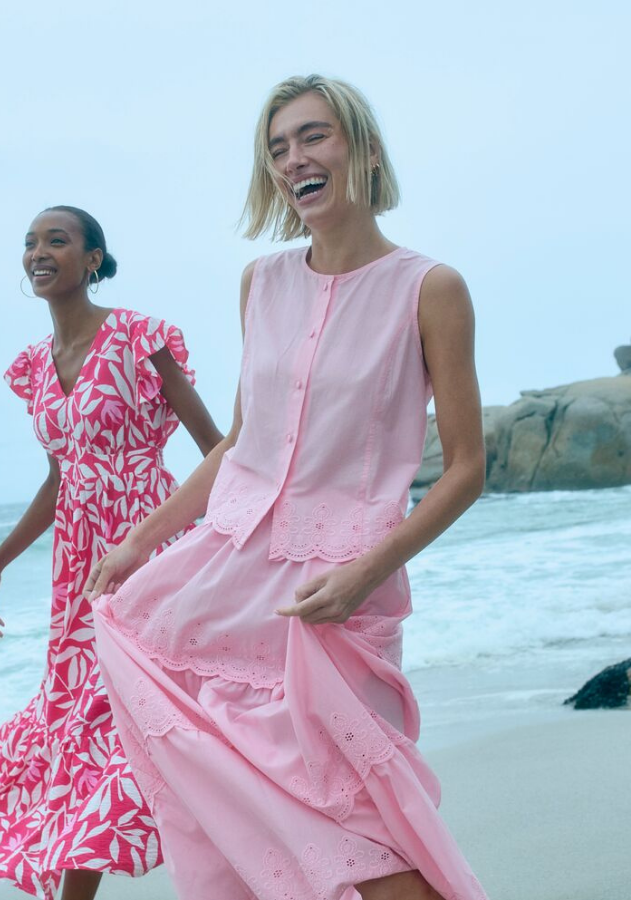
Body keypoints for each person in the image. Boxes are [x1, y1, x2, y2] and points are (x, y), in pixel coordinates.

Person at [87, 75, 488, 900]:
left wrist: (363, 575)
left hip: (336, 597)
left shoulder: (430, 288)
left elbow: (464, 468)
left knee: (364, 825)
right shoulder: (259, 284)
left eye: (313, 137)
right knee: (248, 822)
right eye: (277, 148)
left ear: (363, 150)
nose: (293, 159)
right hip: (224, 583)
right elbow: (241, 444)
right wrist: (137, 542)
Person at [0, 205, 223, 900]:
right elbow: (63, 477)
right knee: (82, 728)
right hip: (78, 568)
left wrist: (229, 542)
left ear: (92, 258)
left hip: (150, 549)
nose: (39, 252)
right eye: (31, 243)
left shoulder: (137, 336)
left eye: (56, 241)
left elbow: (217, 449)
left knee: (137, 717)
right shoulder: (34, 368)